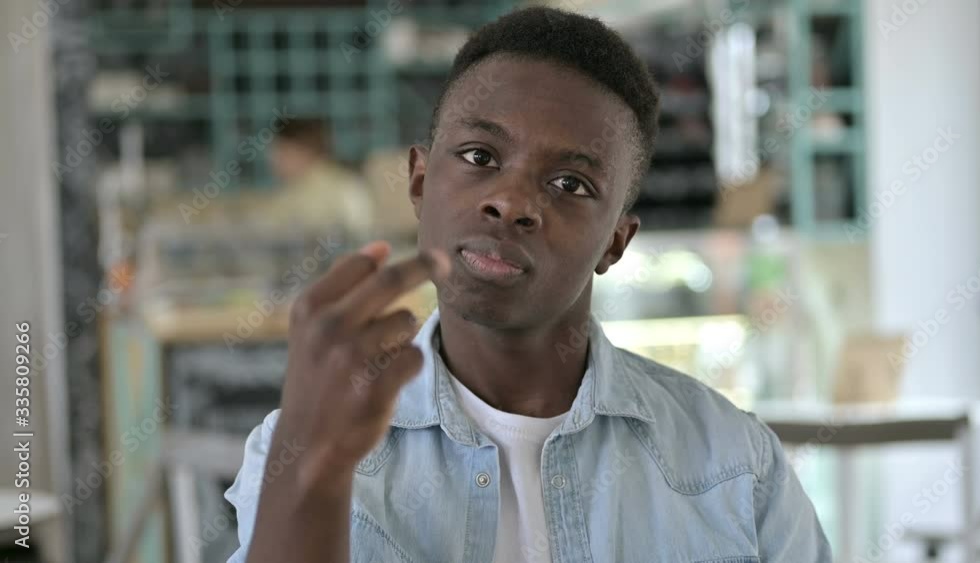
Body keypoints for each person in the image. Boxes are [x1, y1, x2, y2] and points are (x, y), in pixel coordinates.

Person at [225, 7, 832, 563]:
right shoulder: (299, 446)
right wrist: (315, 471)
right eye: (479, 157)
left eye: (570, 184)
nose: (512, 203)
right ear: (419, 183)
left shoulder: (736, 467)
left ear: (615, 243)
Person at [264, 118, 372, 238]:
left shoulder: (344, 186)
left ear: (305, 150)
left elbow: (360, 232)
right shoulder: (290, 190)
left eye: (282, 152)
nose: (273, 160)